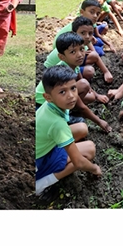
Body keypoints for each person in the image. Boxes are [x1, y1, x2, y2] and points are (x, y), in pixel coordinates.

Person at [35, 65, 101, 198]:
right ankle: (42, 183)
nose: (71, 96)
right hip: (39, 162)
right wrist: (95, 169)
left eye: (73, 88)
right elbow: (79, 163)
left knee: (82, 128)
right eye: (62, 92)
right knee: (89, 149)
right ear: (48, 97)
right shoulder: (57, 124)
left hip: (43, 146)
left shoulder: (49, 106)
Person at [37, 32, 111, 133]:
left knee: (91, 96)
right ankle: (66, 115)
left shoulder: (73, 65)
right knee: (84, 87)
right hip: (42, 105)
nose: (80, 55)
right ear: (62, 57)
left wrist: (97, 96)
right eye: (73, 52)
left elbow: (80, 81)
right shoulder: (64, 72)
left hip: (55, 99)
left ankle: (68, 109)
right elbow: (82, 106)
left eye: (81, 49)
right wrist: (99, 122)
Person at [44, 16, 113, 84]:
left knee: (94, 54)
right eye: (83, 33)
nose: (87, 37)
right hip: (53, 71)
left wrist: (106, 72)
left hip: (69, 64)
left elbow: (95, 54)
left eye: (90, 33)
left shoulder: (83, 43)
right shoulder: (72, 45)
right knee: (89, 71)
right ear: (74, 32)